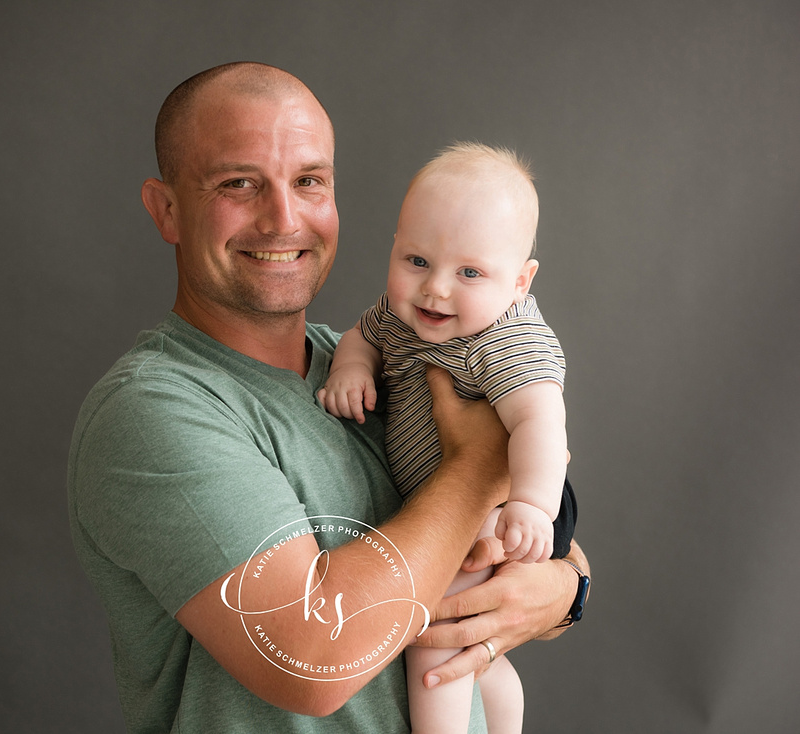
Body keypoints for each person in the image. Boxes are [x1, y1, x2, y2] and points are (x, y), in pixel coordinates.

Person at [67, 62, 589, 733]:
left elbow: (547, 540)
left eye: (309, 181)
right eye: (239, 183)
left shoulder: (385, 363)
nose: (283, 218)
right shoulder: (155, 412)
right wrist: (479, 463)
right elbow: (310, 661)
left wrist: (564, 591)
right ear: (167, 208)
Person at [318, 143, 569, 733]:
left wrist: (533, 507)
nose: (436, 290)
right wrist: (350, 368)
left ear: (519, 282)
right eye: (416, 260)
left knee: (432, 632)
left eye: (470, 272)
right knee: (480, 657)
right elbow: (360, 337)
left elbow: (541, 423)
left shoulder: (505, 340)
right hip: (442, 508)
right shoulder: (399, 316)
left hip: (492, 518)